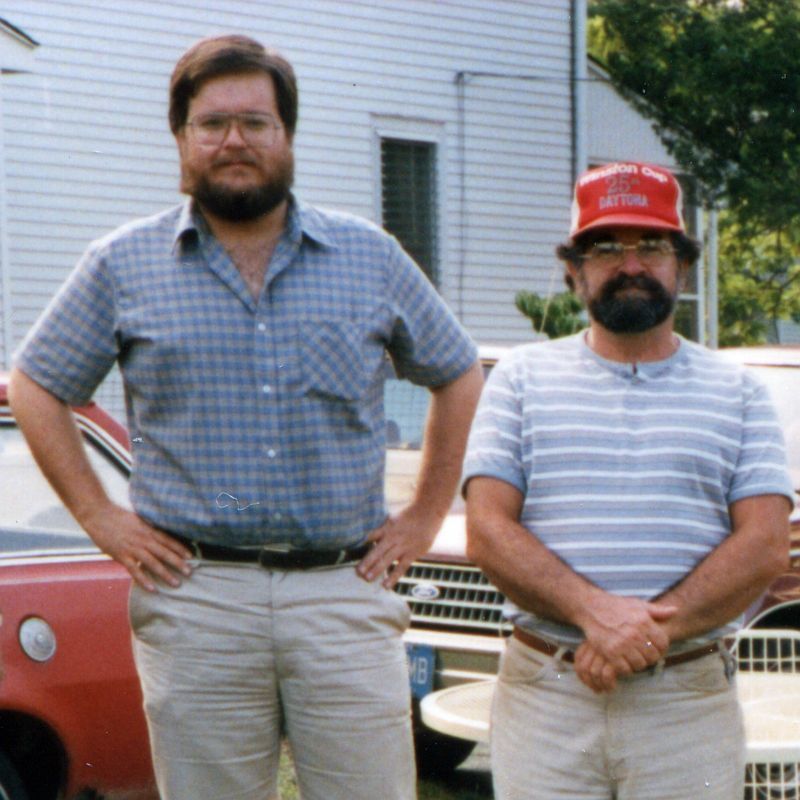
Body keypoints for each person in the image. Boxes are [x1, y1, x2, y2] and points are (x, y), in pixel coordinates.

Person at [9, 34, 483, 800]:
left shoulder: (368, 255)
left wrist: (425, 515)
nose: (234, 141)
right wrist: (101, 519)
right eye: (212, 123)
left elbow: (458, 373)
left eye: (256, 123)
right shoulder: (122, 264)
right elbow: (35, 386)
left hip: (341, 589)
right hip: (196, 594)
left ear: (287, 136)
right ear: (181, 138)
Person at [464, 161, 794, 799]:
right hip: (547, 694)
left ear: (684, 266)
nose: (631, 263)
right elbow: (486, 529)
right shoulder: (519, 378)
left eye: (652, 246)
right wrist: (596, 615)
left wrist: (645, 634)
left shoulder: (741, 390)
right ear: (573, 269)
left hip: (685, 699)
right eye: (607, 246)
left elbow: (765, 545)